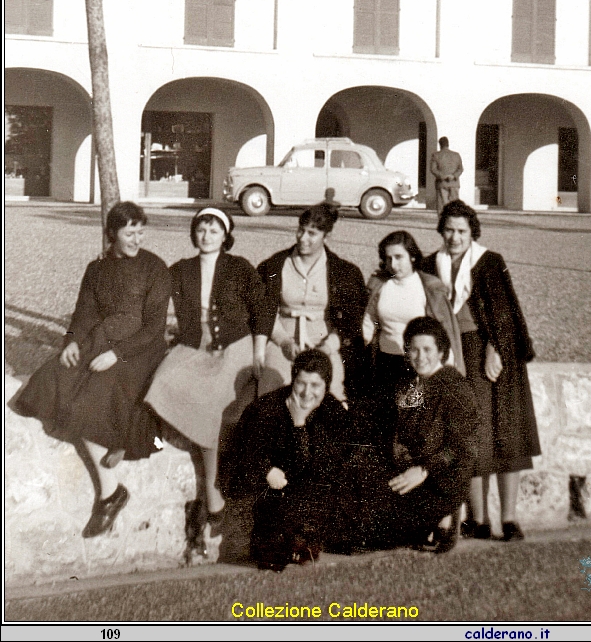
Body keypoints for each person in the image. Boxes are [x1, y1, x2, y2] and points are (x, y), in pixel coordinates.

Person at [13, 202, 170, 538]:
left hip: (140, 350)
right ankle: (113, 441)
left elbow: (155, 327)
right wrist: (71, 341)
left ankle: (110, 492)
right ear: (111, 233)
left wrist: (117, 354)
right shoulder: (96, 269)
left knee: (93, 393)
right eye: (129, 232)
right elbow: (84, 312)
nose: (136, 239)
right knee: (53, 377)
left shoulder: (155, 268)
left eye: (141, 232)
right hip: (102, 342)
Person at [145, 206, 273, 560]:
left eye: (214, 230)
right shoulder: (180, 269)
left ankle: (214, 496)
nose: (206, 235)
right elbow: (149, 293)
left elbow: (263, 308)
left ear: (225, 235)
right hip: (194, 346)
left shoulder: (239, 267)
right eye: (201, 229)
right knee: (161, 380)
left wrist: (259, 352)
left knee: (212, 404)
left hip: (235, 347)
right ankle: (211, 494)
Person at [421, 200, 541, 541]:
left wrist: (496, 348)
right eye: (449, 230)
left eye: (461, 231)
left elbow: (504, 312)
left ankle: (509, 518)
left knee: (505, 433)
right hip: (452, 356)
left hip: (488, 353)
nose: (455, 237)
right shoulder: (431, 264)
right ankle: (479, 519)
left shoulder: (489, 262)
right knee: (470, 435)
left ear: (472, 232)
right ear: (441, 231)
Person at [229, 348, 351, 571]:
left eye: (315, 386)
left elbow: (319, 468)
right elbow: (244, 455)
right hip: (273, 497)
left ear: (326, 386)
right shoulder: (265, 409)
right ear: (292, 381)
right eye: (301, 383)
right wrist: (266, 470)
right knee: (273, 557)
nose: (306, 393)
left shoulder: (333, 412)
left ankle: (306, 541)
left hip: (312, 498)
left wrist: (298, 423)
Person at [364, 316, 479, 552]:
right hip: (409, 475)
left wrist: (424, 470)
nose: (420, 356)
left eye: (427, 349)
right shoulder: (411, 387)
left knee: (385, 533)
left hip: (441, 480)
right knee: (367, 527)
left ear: (440, 351)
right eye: (414, 350)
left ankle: (446, 516)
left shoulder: (454, 386)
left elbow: (462, 446)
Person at [256, 203, 367, 401]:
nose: (303, 238)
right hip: (283, 338)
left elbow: (351, 321)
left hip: (324, 340)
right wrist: (284, 341)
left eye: (312, 233)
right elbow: (264, 310)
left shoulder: (344, 272)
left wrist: (327, 347)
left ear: (327, 236)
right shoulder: (274, 265)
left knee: (331, 391)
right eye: (301, 230)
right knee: (272, 387)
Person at [362, 230, 464, 392]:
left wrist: (448, 368)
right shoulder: (379, 285)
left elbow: (444, 331)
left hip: (419, 363)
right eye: (388, 258)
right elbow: (368, 322)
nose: (393, 264)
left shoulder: (429, 287)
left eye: (398, 257)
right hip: (385, 362)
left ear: (412, 256)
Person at [430, 137, 464, 215]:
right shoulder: (456, 155)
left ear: (440, 144)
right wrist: (454, 176)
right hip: (454, 183)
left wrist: (443, 176)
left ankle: (443, 225)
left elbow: (433, 169)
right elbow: (460, 169)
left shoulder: (436, 155)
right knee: (455, 205)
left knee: (442, 206)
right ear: (448, 144)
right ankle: (454, 223)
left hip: (442, 183)